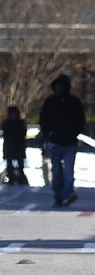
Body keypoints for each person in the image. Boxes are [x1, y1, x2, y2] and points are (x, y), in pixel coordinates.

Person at [39, 74, 86, 206]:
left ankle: (68, 193)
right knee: (57, 170)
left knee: (68, 170)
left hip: (70, 142)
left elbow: (80, 120)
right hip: (55, 141)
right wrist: (48, 134)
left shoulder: (74, 102)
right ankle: (58, 194)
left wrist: (74, 133)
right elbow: (43, 119)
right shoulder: (50, 102)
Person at [1, 106, 27, 185]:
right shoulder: (6, 123)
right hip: (10, 147)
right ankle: (10, 180)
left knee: (20, 165)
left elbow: (23, 134)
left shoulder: (21, 123)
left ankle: (21, 180)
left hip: (19, 146)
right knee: (9, 165)